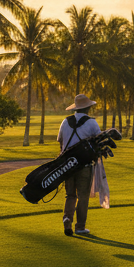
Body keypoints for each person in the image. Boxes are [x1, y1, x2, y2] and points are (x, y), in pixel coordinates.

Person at [58, 94, 102, 236]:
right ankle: (80, 227)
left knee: (70, 195)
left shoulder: (65, 121)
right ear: (88, 108)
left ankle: (67, 218)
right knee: (83, 196)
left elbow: (60, 142)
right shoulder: (91, 123)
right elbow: (99, 142)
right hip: (84, 165)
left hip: (67, 165)